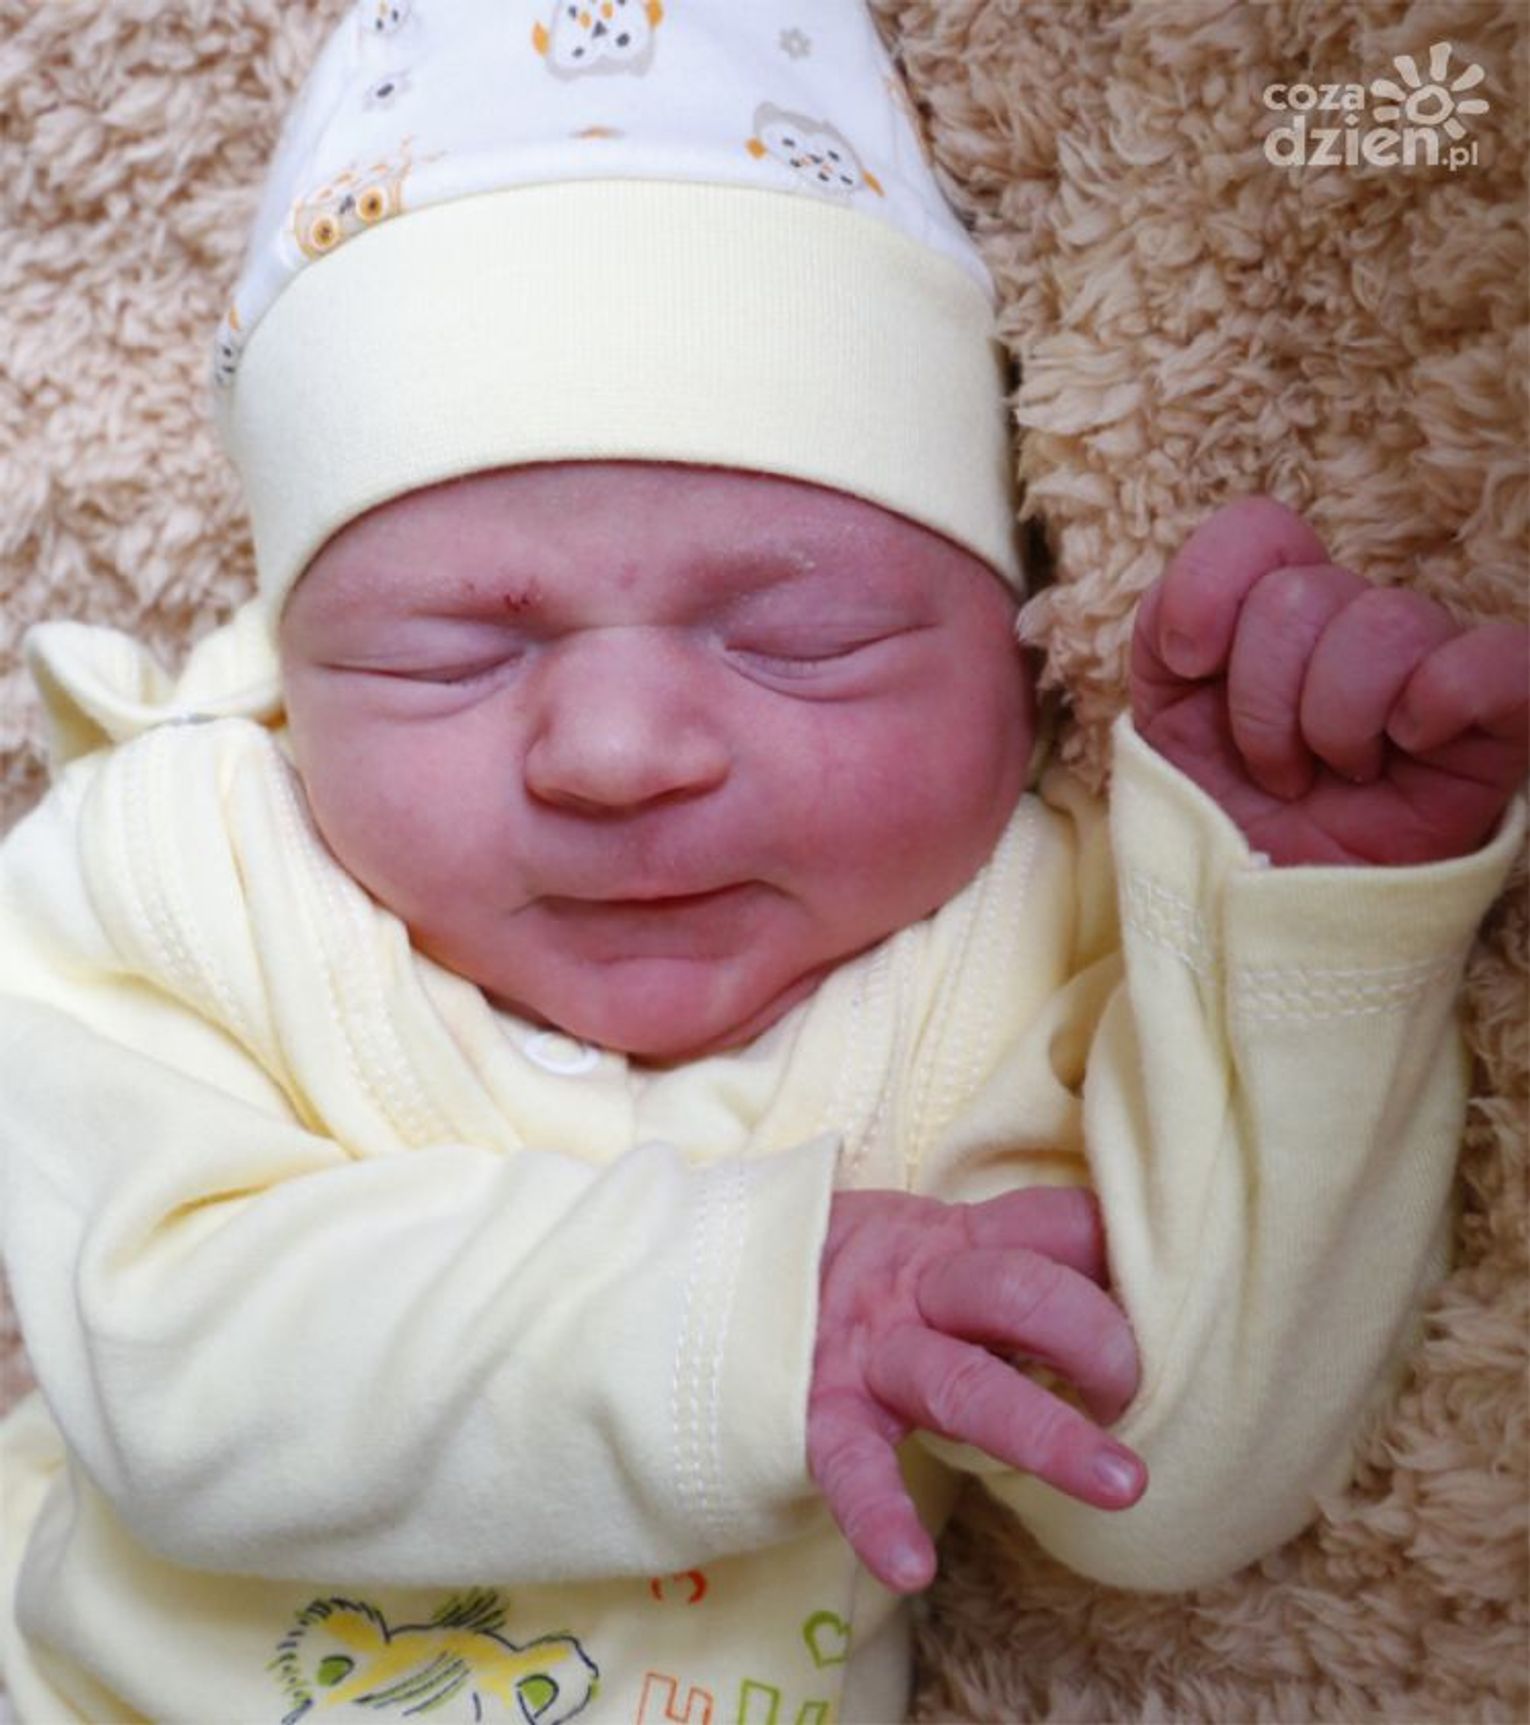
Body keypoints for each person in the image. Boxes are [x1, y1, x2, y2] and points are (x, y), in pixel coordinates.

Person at [0, 3, 1523, 1721]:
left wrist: (1298, 949)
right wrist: (754, 1318)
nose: (614, 752)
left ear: (1012, 646)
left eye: (799, 640)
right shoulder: (184, 872)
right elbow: (164, 1359)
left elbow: (1154, 1481)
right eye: (450, 657)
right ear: (293, 670)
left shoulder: (1013, 952)